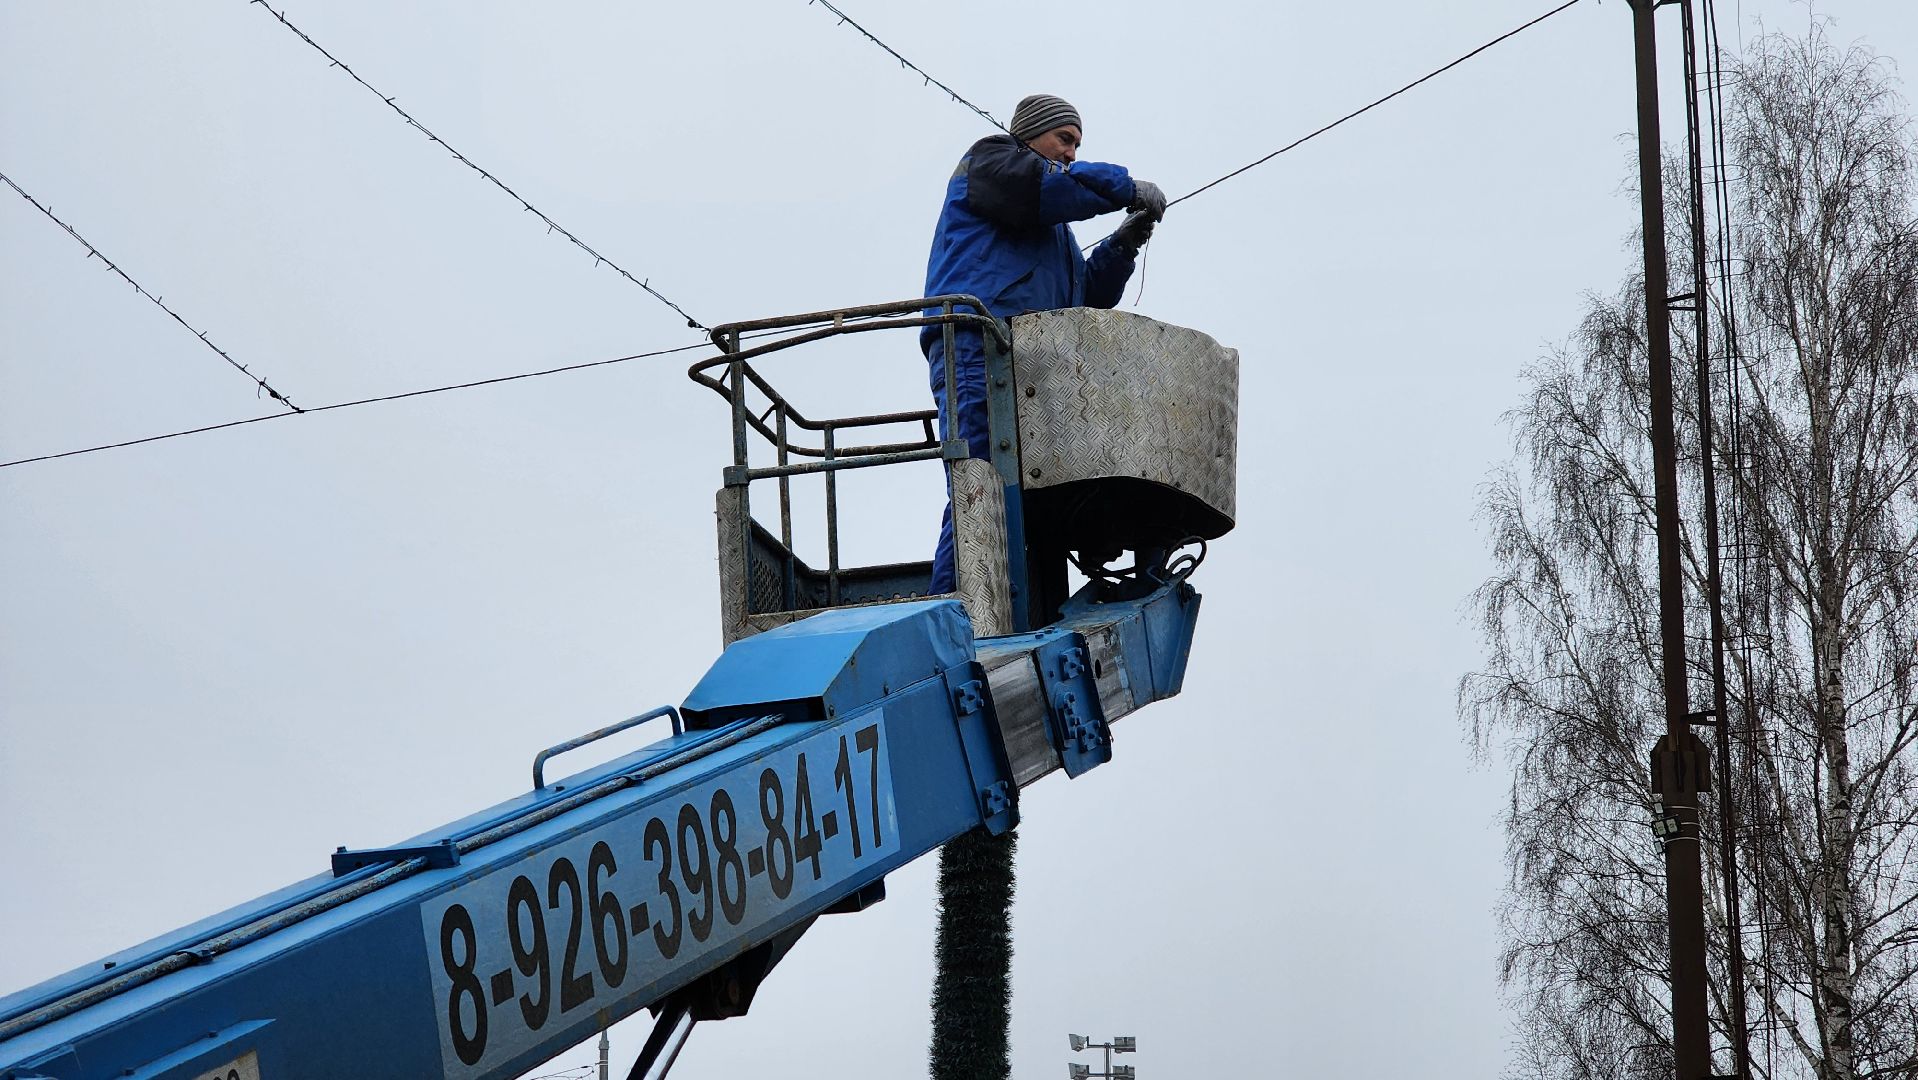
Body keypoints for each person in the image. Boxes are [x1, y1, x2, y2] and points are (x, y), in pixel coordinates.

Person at [921, 93, 1166, 595]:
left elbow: (1087, 295)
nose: (1072, 152)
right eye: (1065, 139)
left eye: (1078, 143)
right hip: (976, 347)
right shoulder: (991, 164)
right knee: (981, 483)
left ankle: (1014, 601)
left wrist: (1125, 242)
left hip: (1030, 364)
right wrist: (1124, 187)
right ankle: (951, 611)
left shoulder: (1055, 235)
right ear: (1031, 134)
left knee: (1026, 494)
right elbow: (1046, 190)